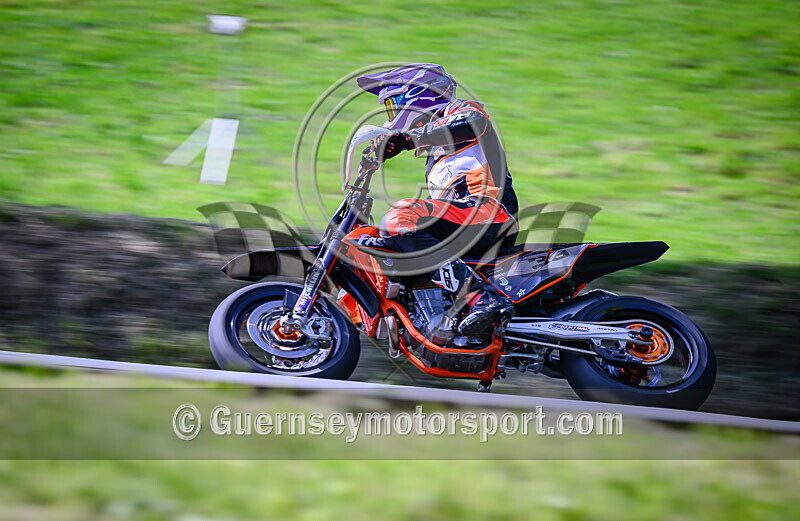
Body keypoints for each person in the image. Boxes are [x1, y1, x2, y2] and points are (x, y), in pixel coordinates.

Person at [356, 63, 518, 336]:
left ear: (419, 95)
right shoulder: (434, 155)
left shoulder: (461, 111)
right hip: (466, 221)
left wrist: (409, 139)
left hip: (489, 212)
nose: (392, 115)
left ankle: (481, 297)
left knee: (402, 216)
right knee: (384, 239)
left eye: (393, 105)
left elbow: (472, 123)